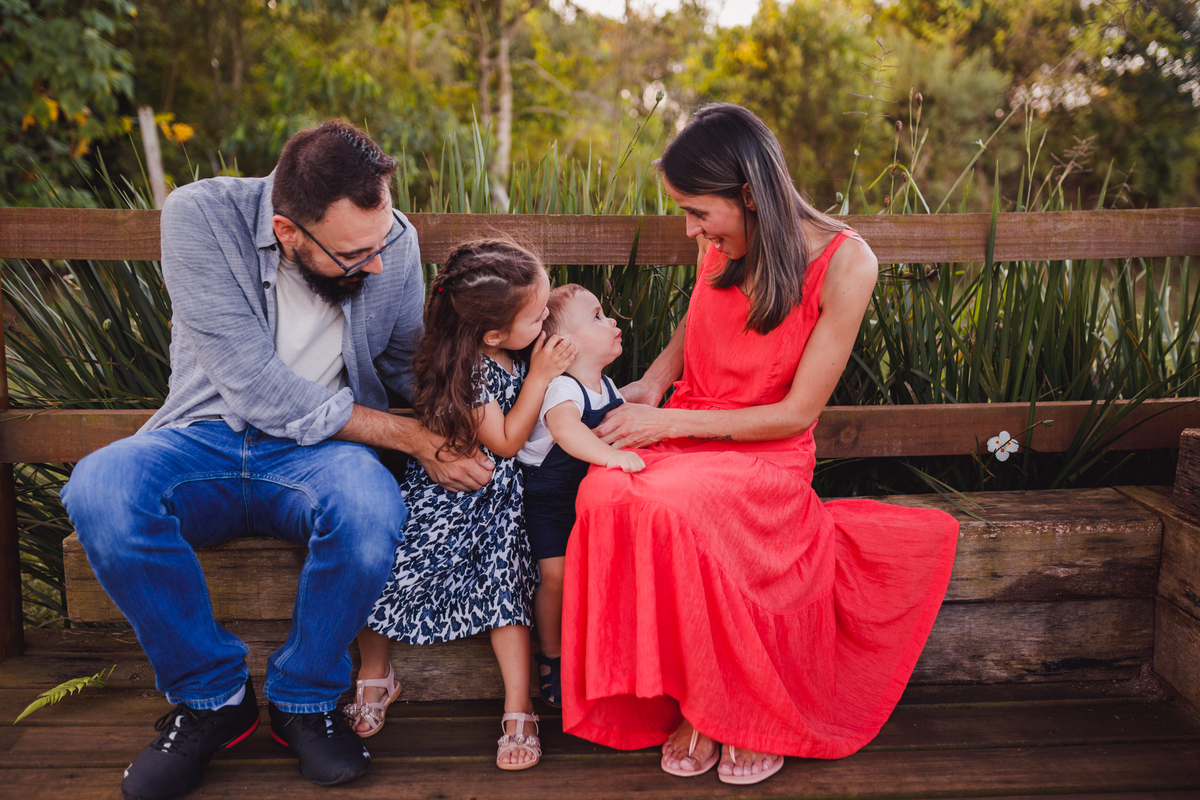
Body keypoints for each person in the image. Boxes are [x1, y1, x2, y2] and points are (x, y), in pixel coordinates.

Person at [60, 120, 494, 800]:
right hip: (203, 435)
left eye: (380, 244)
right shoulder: (200, 216)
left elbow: (403, 364)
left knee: (370, 506)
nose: (376, 264)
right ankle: (211, 701)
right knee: (101, 490)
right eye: (355, 255)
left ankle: (304, 700)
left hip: (323, 454)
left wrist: (479, 425)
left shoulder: (393, 242)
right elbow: (255, 387)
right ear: (289, 232)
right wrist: (410, 440)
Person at [559, 103, 960, 786]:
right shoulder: (722, 239)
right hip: (687, 422)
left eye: (697, 212)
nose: (691, 229)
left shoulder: (845, 262)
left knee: (674, 505)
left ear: (748, 193)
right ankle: (691, 694)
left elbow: (796, 414)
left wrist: (670, 427)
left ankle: (730, 705)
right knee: (604, 489)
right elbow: (697, 318)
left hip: (763, 449)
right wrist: (654, 385)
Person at [349, 240, 576, 771]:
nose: (545, 322)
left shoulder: (507, 350)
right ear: (492, 333)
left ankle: (519, 708)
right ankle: (374, 675)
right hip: (454, 498)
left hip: (499, 509)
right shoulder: (474, 369)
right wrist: (541, 377)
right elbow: (504, 443)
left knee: (505, 590)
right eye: (537, 314)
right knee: (389, 575)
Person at [515, 284, 645, 707]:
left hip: (586, 500)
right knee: (556, 576)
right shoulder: (563, 389)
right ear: (564, 345)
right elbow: (567, 432)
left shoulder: (608, 387)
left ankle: (594, 648)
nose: (611, 322)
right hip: (549, 501)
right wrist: (611, 457)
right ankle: (550, 655)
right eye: (596, 316)